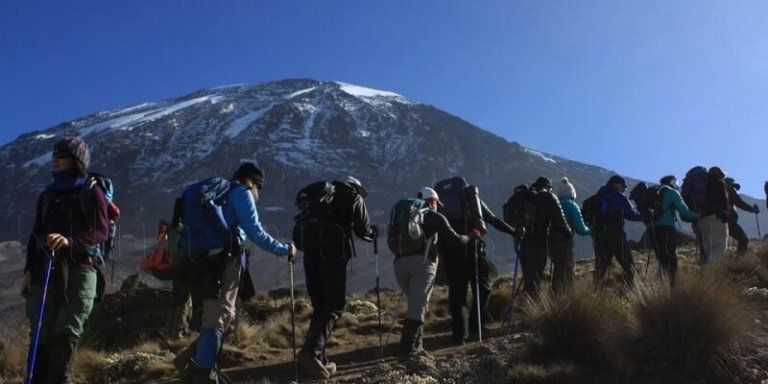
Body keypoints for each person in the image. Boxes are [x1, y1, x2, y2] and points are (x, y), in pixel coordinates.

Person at [180, 162, 297, 384]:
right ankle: (204, 373)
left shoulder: (217, 194)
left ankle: (203, 366)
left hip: (198, 260)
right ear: (254, 183)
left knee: (220, 316)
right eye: (259, 188)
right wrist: (284, 249)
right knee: (219, 316)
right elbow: (255, 232)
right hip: (223, 261)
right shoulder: (241, 193)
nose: (258, 193)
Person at [22, 137, 109, 384]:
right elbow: (35, 235)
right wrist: (28, 271)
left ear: (77, 160)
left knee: (66, 331)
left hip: (80, 269)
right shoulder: (47, 195)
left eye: (62, 155)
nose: (55, 159)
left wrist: (70, 241)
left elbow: (100, 231)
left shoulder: (92, 190)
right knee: (41, 333)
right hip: (44, 271)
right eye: (54, 155)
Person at [298, 176, 376, 379]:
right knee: (334, 306)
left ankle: (318, 361)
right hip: (332, 256)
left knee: (320, 307)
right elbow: (363, 229)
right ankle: (311, 353)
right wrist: (373, 233)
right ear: (355, 188)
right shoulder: (352, 197)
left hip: (310, 256)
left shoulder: (321, 200)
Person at [437, 178, 518, 344]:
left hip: (451, 256)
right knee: (483, 289)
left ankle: (459, 334)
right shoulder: (472, 200)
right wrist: (514, 232)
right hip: (473, 252)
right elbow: (493, 220)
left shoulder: (442, 205)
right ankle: (476, 327)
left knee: (457, 294)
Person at [393, 187, 471, 359]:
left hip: (399, 263)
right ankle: (408, 350)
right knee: (418, 307)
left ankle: (417, 346)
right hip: (422, 264)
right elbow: (455, 239)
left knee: (416, 304)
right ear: (433, 201)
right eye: (437, 203)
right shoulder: (433, 216)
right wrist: (470, 237)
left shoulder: (406, 215)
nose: (438, 206)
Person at [518, 177, 572, 297]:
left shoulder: (525, 196)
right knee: (536, 276)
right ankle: (532, 309)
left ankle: (522, 307)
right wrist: (569, 233)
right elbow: (560, 218)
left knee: (528, 278)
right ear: (548, 186)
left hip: (522, 242)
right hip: (539, 242)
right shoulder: (548, 196)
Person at [591, 175, 646, 288]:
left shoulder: (598, 196)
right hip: (615, 234)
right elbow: (631, 214)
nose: (624, 189)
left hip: (598, 235)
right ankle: (630, 292)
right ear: (615, 184)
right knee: (628, 264)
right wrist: (647, 216)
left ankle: (595, 295)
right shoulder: (618, 196)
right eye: (623, 186)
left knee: (601, 267)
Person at [651, 175, 698, 286]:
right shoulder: (672, 192)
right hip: (667, 226)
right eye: (676, 183)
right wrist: (698, 216)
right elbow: (684, 211)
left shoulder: (655, 191)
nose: (677, 185)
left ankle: (661, 283)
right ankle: (673, 285)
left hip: (654, 227)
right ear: (672, 181)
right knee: (671, 256)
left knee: (662, 255)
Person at [551, 177, 590, 294]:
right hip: (564, 242)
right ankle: (567, 296)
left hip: (550, 242)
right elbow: (581, 229)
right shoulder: (572, 206)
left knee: (557, 269)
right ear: (572, 192)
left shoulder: (554, 204)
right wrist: (592, 229)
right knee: (567, 270)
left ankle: (553, 296)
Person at [698, 167, 730, 264]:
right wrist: (725, 216)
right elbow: (725, 202)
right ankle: (709, 273)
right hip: (716, 218)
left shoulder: (703, 186)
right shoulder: (720, 183)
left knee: (708, 251)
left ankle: (704, 277)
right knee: (718, 249)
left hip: (702, 219)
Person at [724, 177, 759, 256]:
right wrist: (753, 209)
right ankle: (739, 261)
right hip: (729, 221)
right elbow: (740, 203)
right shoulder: (730, 190)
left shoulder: (717, 193)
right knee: (743, 240)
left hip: (717, 220)